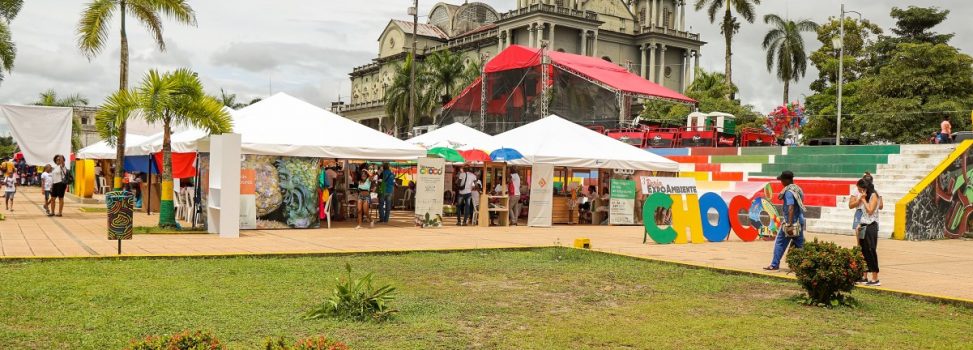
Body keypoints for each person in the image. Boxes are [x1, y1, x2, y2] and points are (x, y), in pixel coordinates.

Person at [764, 171, 806, 271]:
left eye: (782, 180)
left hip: (791, 222)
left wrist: (789, 224)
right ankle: (807, 265)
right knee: (801, 245)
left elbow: (790, 207)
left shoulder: (788, 192)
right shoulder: (798, 189)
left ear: (787, 180)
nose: (781, 182)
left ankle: (774, 264)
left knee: (780, 242)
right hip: (800, 220)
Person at [850, 178, 881, 286]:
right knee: (863, 251)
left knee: (871, 251)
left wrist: (862, 200)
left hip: (871, 226)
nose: (858, 191)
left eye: (859, 189)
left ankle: (875, 278)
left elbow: (870, 210)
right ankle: (864, 276)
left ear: (864, 189)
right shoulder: (865, 196)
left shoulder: (873, 196)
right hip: (863, 226)